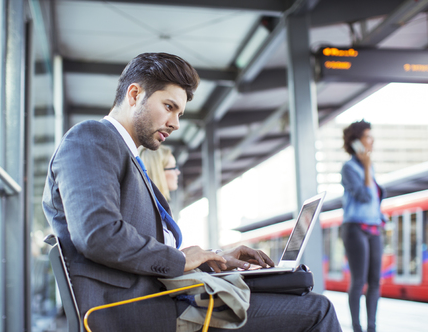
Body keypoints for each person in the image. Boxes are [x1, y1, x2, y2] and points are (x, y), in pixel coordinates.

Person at [42, 52, 342, 331]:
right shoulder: (92, 138)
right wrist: (183, 260)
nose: (174, 123)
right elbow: (99, 235)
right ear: (135, 95)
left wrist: (212, 256)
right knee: (316, 310)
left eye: (180, 114)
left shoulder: (126, 155)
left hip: (158, 298)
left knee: (289, 287)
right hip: (136, 309)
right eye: (169, 107)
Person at [341, 120, 386, 332]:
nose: (372, 140)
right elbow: (366, 196)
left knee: (375, 281)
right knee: (359, 281)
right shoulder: (349, 167)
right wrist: (366, 166)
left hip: (374, 228)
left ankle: (372, 328)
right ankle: (357, 328)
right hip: (355, 228)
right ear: (356, 142)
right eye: (368, 136)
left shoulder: (371, 167)